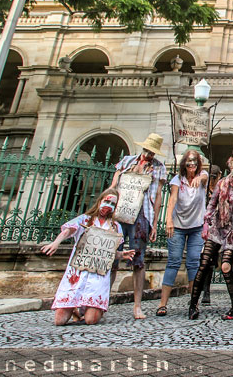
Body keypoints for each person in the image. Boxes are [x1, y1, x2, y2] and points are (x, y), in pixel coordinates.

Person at [41, 189, 135, 325]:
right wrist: (56, 242)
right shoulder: (85, 219)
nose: (109, 205)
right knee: (59, 321)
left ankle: (93, 308)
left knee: (91, 320)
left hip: (98, 275)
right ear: (99, 202)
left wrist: (121, 255)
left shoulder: (116, 227)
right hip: (77, 272)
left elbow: (109, 253)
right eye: (106, 201)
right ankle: (74, 307)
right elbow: (69, 230)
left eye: (113, 204)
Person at [188, 153, 233, 320]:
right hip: (217, 228)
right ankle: (193, 305)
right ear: (231, 162)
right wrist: (206, 223)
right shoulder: (222, 183)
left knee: (226, 267)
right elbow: (211, 205)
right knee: (203, 264)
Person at [110, 133, 167, 320]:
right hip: (120, 213)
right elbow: (114, 185)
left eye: (152, 152)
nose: (148, 155)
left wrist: (155, 222)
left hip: (142, 215)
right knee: (111, 257)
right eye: (147, 150)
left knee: (138, 260)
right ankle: (103, 299)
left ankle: (137, 305)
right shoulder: (127, 162)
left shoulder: (159, 167)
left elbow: (158, 196)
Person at [156, 150, 208, 316]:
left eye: (195, 161)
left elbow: (205, 177)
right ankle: (163, 304)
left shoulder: (203, 176)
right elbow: (172, 199)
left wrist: (200, 178)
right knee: (173, 261)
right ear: (184, 163)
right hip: (178, 226)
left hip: (197, 226)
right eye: (189, 161)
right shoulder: (177, 179)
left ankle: (194, 303)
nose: (192, 164)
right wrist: (169, 220)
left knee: (194, 263)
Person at [201, 164, 222, 307]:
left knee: (207, 261)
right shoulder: (202, 190)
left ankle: (206, 290)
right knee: (206, 262)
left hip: (214, 230)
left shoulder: (220, 190)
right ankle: (205, 291)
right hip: (204, 229)